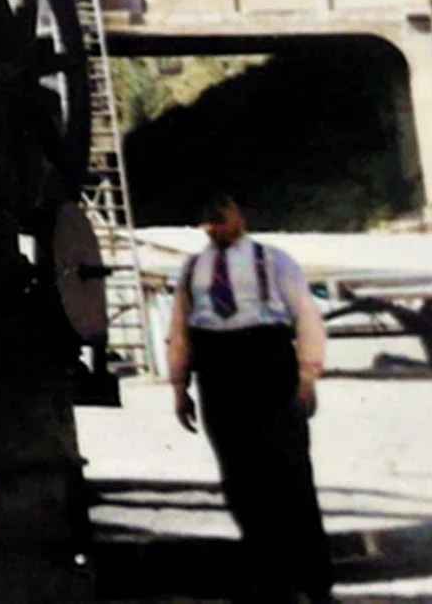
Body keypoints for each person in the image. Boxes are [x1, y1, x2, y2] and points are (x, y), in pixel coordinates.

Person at [167, 188, 335, 603]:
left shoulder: (273, 261)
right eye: (208, 219)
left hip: (268, 363)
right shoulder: (192, 269)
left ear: (240, 213)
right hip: (217, 370)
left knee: (290, 472)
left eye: (221, 215)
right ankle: (271, 582)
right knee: (241, 478)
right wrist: (179, 386)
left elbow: (306, 316)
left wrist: (307, 375)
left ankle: (315, 581)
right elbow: (180, 329)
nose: (214, 226)